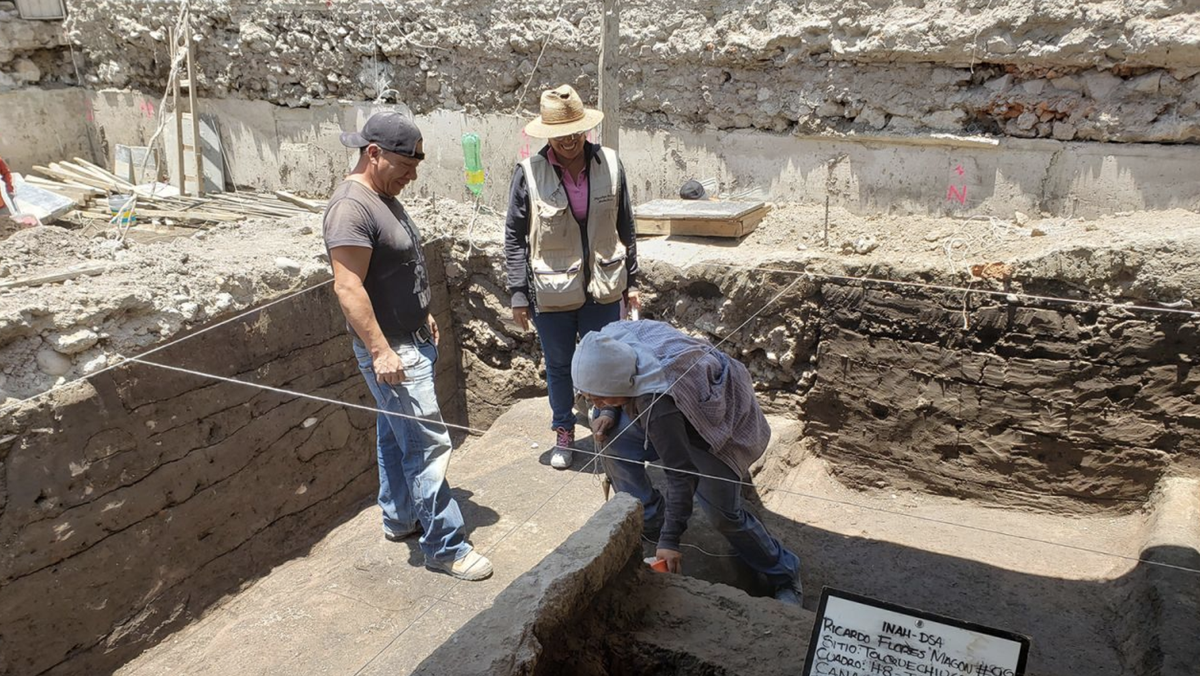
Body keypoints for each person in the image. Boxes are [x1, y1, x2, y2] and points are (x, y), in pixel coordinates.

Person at [322, 112, 492, 581]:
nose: (413, 176)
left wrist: (422, 310)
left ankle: (400, 518)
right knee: (428, 445)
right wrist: (380, 350)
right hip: (393, 349)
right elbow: (348, 287)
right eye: (406, 165)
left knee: (396, 436)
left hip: (411, 337)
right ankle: (446, 545)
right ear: (373, 153)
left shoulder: (383, 195)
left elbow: (396, 265)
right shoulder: (350, 208)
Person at [571, 319, 804, 606]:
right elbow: (607, 383)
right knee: (612, 436)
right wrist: (605, 408)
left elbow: (681, 474)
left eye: (598, 395)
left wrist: (671, 542)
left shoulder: (657, 406)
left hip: (711, 422)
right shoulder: (607, 343)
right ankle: (650, 519)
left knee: (724, 515)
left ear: (621, 383)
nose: (591, 400)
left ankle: (784, 573)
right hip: (663, 404)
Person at [504, 84, 640, 469]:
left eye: (575, 131)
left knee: (607, 361)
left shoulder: (610, 164)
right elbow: (514, 237)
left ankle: (609, 422)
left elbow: (625, 225)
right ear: (547, 134)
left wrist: (633, 283)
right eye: (559, 133)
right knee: (560, 365)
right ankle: (565, 430)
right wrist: (518, 293)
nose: (568, 140)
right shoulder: (528, 173)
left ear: (586, 129)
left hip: (605, 284)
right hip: (552, 291)